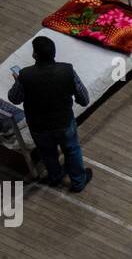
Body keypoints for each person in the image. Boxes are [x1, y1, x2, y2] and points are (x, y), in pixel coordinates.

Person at [8, 36, 93, 192]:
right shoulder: (67, 70)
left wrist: (18, 81)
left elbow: (14, 98)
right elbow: (84, 98)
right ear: (54, 53)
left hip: (39, 125)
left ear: (34, 55)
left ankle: (55, 177)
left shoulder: (25, 76)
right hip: (64, 122)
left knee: (48, 153)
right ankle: (78, 182)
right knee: (72, 150)